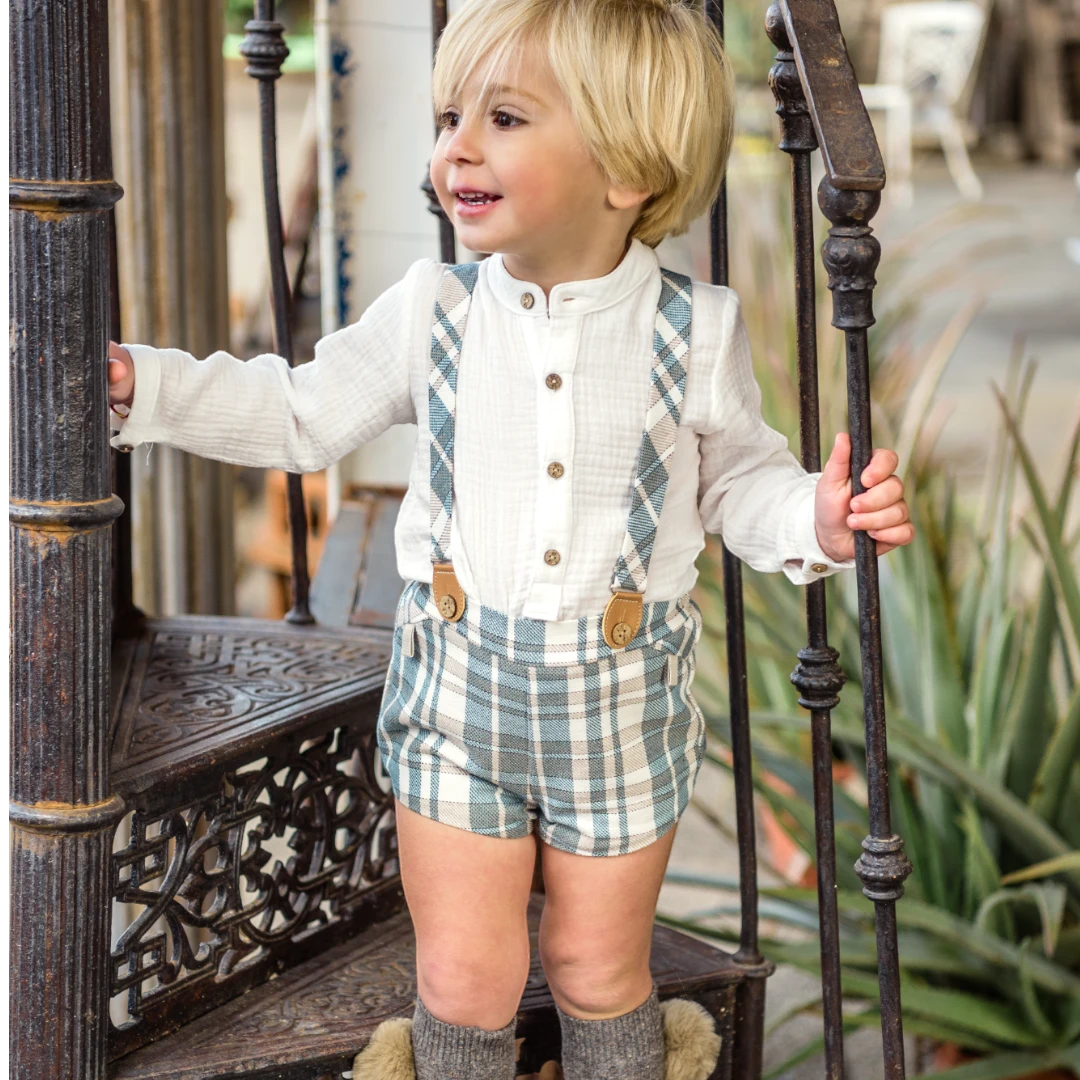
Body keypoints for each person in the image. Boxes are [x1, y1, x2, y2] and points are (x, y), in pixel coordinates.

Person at [108, 2, 913, 1077]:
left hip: (619, 707)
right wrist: (144, 388)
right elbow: (298, 414)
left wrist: (814, 517)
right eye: (450, 116)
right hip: (457, 703)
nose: (456, 148)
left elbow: (741, 488)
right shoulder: (432, 309)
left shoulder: (694, 329)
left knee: (594, 969)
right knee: (465, 977)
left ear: (627, 170)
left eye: (504, 116)